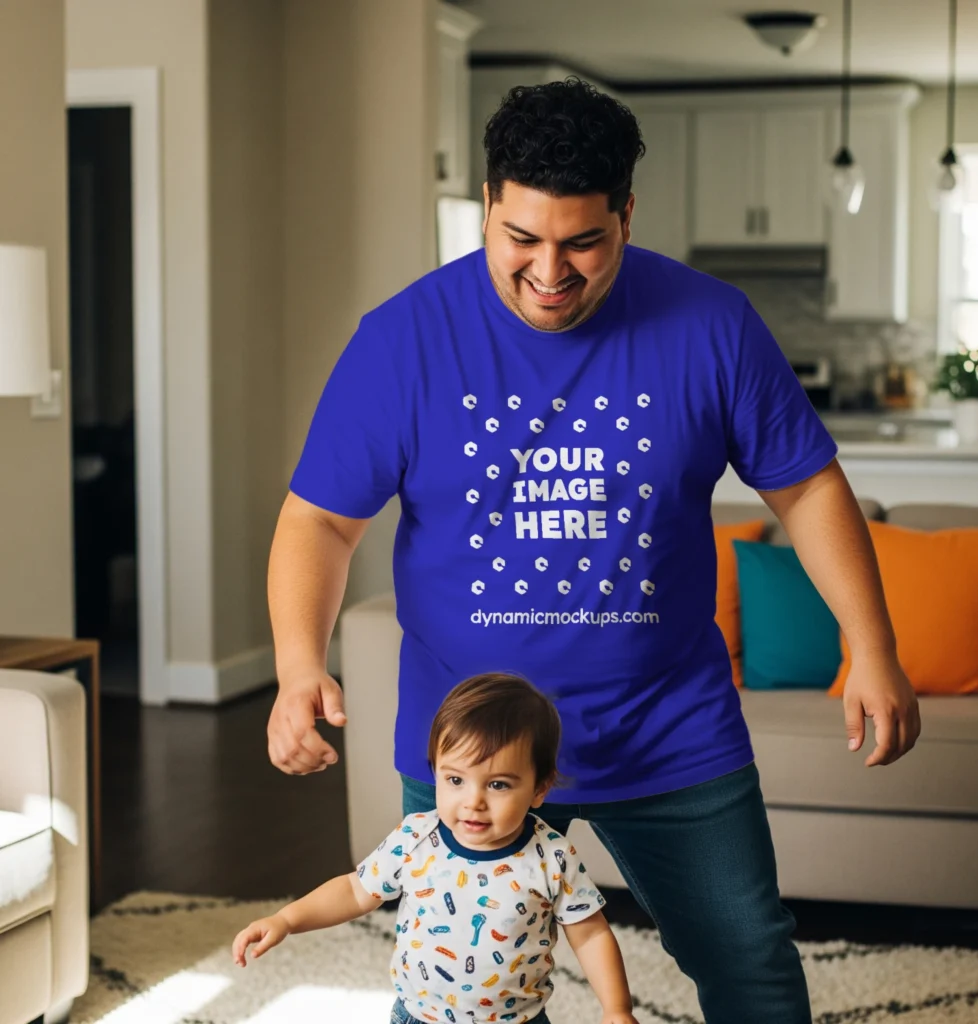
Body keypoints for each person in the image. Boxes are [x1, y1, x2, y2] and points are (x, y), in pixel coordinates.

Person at [266, 78, 921, 1023]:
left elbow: (805, 483)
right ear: (488, 208)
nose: (549, 272)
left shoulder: (712, 324)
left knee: (749, 965)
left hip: (670, 725)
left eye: (583, 242)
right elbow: (319, 519)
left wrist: (872, 643)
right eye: (521, 239)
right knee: (454, 989)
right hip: (474, 746)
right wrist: (296, 667)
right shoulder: (404, 340)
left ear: (626, 215)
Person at [236, 673, 640, 1024]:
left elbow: (589, 935)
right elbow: (354, 891)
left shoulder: (551, 856)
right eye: (455, 780)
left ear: (539, 789)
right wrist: (288, 919)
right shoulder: (415, 839)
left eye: (498, 784)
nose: (473, 801)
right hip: (418, 1016)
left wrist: (616, 1007)